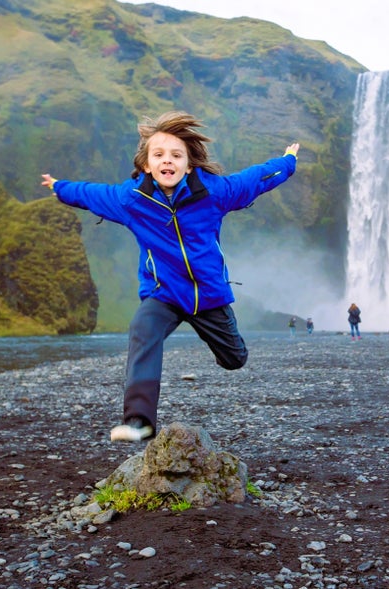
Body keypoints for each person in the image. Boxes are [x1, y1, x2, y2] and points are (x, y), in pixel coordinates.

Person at [41, 111, 299, 442]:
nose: (168, 161)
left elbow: (256, 179)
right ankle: (139, 420)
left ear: (189, 165)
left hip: (208, 297)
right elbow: (92, 194)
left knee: (235, 359)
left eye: (177, 155)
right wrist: (61, 187)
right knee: (143, 328)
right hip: (163, 293)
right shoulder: (131, 200)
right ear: (146, 165)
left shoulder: (214, 193)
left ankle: (229, 351)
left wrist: (287, 162)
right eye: (159, 155)